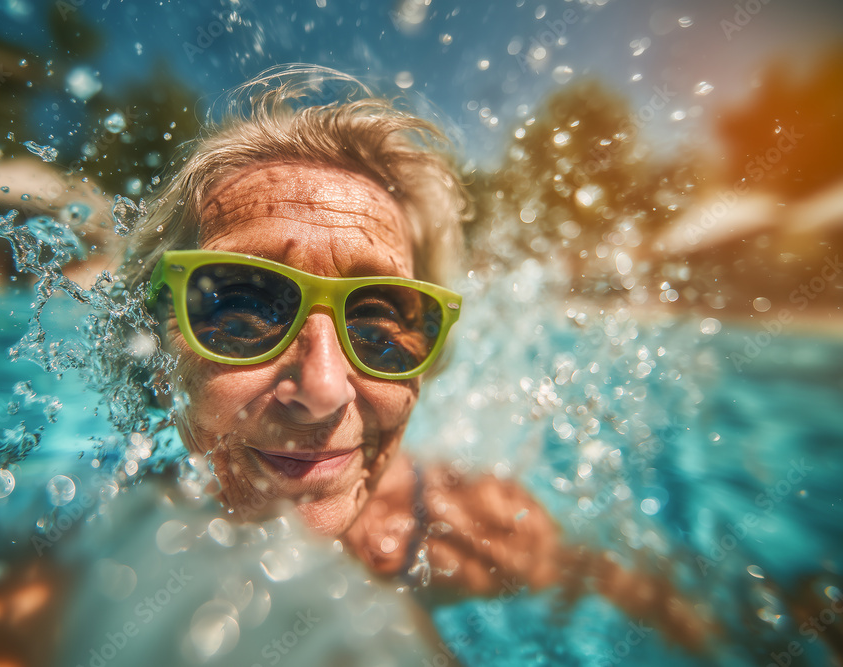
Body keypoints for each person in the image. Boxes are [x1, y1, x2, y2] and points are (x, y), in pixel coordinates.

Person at [125, 66, 714, 650]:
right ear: (151, 350)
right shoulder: (91, 556)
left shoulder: (465, 530)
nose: (323, 389)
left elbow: (657, 609)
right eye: (241, 316)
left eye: (378, 327)